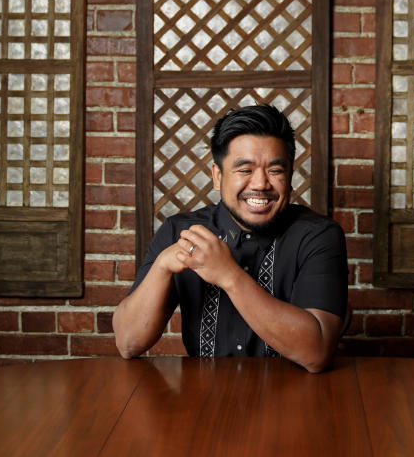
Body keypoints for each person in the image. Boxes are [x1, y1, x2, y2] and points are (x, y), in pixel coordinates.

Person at [113, 104, 348, 373]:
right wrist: (163, 265)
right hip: (203, 402)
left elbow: (316, 353)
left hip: (294, 402)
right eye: (245, 170)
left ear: (290, 176)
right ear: (217, 175)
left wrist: (229, 275)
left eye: (275, 170)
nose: (260, 184)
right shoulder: (179, 231)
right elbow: (128, 343)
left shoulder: (318, 236)